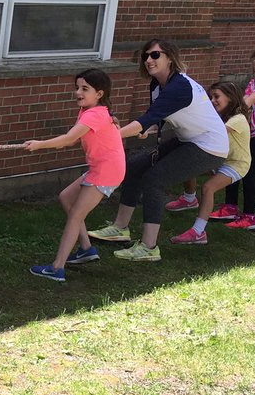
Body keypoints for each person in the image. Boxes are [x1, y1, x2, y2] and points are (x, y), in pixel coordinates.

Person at [89, 39, 229, 262]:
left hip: (209, 146)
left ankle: (149, 247)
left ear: (170, 58)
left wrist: (111, 134)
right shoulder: (157, 85)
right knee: (134, 167)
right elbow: (157, 117)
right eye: (146, 56)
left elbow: (146, 119)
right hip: (189, 139)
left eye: (155, 55)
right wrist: (149, 128)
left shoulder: (179, 87)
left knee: (155, 180)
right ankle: (120, 228)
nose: (148, 60)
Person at [25, 69, 125, 282]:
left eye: (84, 89)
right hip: (102, 167)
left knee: (76, 215)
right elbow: (71, 140)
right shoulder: (90, 110)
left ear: (99, 93)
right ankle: (86, 249)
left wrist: (40, 145)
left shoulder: (95, 114)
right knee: (66, 197)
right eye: (77, 87)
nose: (78, 92)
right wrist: (55, 143)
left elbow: (68, 138)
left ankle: (57, 267)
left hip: (106, 171)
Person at [209, 43, 255, 231]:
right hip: (253, 132)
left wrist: (222, 116)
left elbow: (247, 102)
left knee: (247, 170)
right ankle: (230, 207)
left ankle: (250, 217)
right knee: (234, 163)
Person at [169, 82, 251, 245]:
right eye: (211, 97)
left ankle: (198, 232)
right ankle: (190, 199)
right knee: (189, 166)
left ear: (230, 98)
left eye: (217, 97)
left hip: (237, 164)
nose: (213, 100)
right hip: (221, 159)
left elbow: (214, 133)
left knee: (208, 188)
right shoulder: (220, 117)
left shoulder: (238, 119)